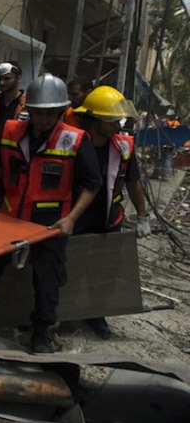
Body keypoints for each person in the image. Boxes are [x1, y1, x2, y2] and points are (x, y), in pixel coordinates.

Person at [0, 73, 101, 353]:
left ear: (60, 111)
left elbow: (92, 185)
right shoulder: (10, 132)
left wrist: (71, 218)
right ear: (28, 110)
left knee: (48, 279)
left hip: (50, 225)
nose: (43, 120)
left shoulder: (75, 140)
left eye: (50, 114)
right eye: (37, 113)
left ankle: (41, 334)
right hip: (9, 218)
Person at [72, 85, 152, 339]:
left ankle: (96, 315)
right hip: (74, 217)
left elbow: (133, 182)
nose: (118, 124)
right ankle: (60, 313)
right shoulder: (71, 142)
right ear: (94, 119)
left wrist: (142, 215)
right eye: (111, 119)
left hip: (108, 217)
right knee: (68, 268)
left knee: (104, 271)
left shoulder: (122, 146)